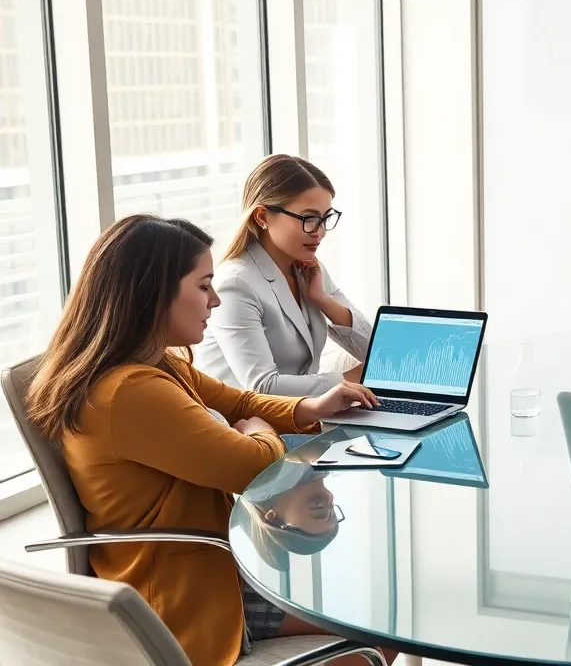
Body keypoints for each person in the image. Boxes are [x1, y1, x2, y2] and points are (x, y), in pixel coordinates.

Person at [24, 215, 392, 666]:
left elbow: (237, 402)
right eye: (203, 286)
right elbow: (255, 468)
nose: (215, 301)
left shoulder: (160, 364)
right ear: (153, 295)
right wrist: (258, 432)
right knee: (382, 632)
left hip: (213, 565)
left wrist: (307, 409)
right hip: (187, 596)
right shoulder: (130, 392)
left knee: (371, 605)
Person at [196, 154, 374, 397]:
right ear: (262, 217)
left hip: (305, 416)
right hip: (247, 427)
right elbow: (262, 386)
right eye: (309, 219)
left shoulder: (309, 269)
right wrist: (348, 380)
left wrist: (322, 300)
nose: (320, 232)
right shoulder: (235, 284)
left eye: (325, 219)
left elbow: (375, 355)